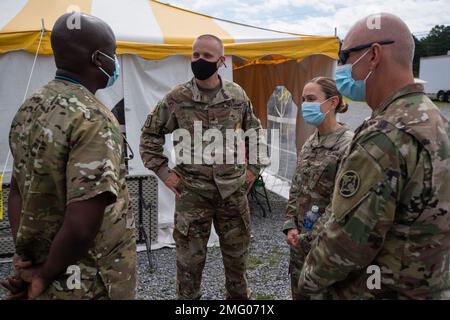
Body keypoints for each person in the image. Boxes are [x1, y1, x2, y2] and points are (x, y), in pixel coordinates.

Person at [297, 13, 450, 299]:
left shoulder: (385, 135)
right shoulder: (436, 120)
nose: (341, 67)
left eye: (345, 55)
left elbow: (346, 242)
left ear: (374, 54)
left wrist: (307, 281)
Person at [0, 13, 136, 300]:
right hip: (88, 277)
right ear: (99, 59)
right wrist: (44, 275)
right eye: (112, 54)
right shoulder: (93, 118)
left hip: (46, 267)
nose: (115, 61)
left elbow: (17, 191)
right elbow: (82, 224)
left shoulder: (29, 108)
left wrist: (29, 262)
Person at [140, 34, 268, 299]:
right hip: (192, 196)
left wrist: (253, 170)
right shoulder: (177, 98)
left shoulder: (236, 95)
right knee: (189, 266)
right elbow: (149, 136)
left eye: (207, 56)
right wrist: (166, 174)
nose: (199, 60)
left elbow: (254, 132)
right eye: (196, 55)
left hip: (233, 194)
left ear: (220, 61)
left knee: (237, 263)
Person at [283, 77, 353, 299]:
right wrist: (290, 224)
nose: (305, 105)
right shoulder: (311, 141)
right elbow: (296, 187)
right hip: (299, 243)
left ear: (333, 102)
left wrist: (309, 238)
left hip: (326, 246)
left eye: (311, 99)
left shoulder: (348, 144)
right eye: (303, 99)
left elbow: (342, 204)